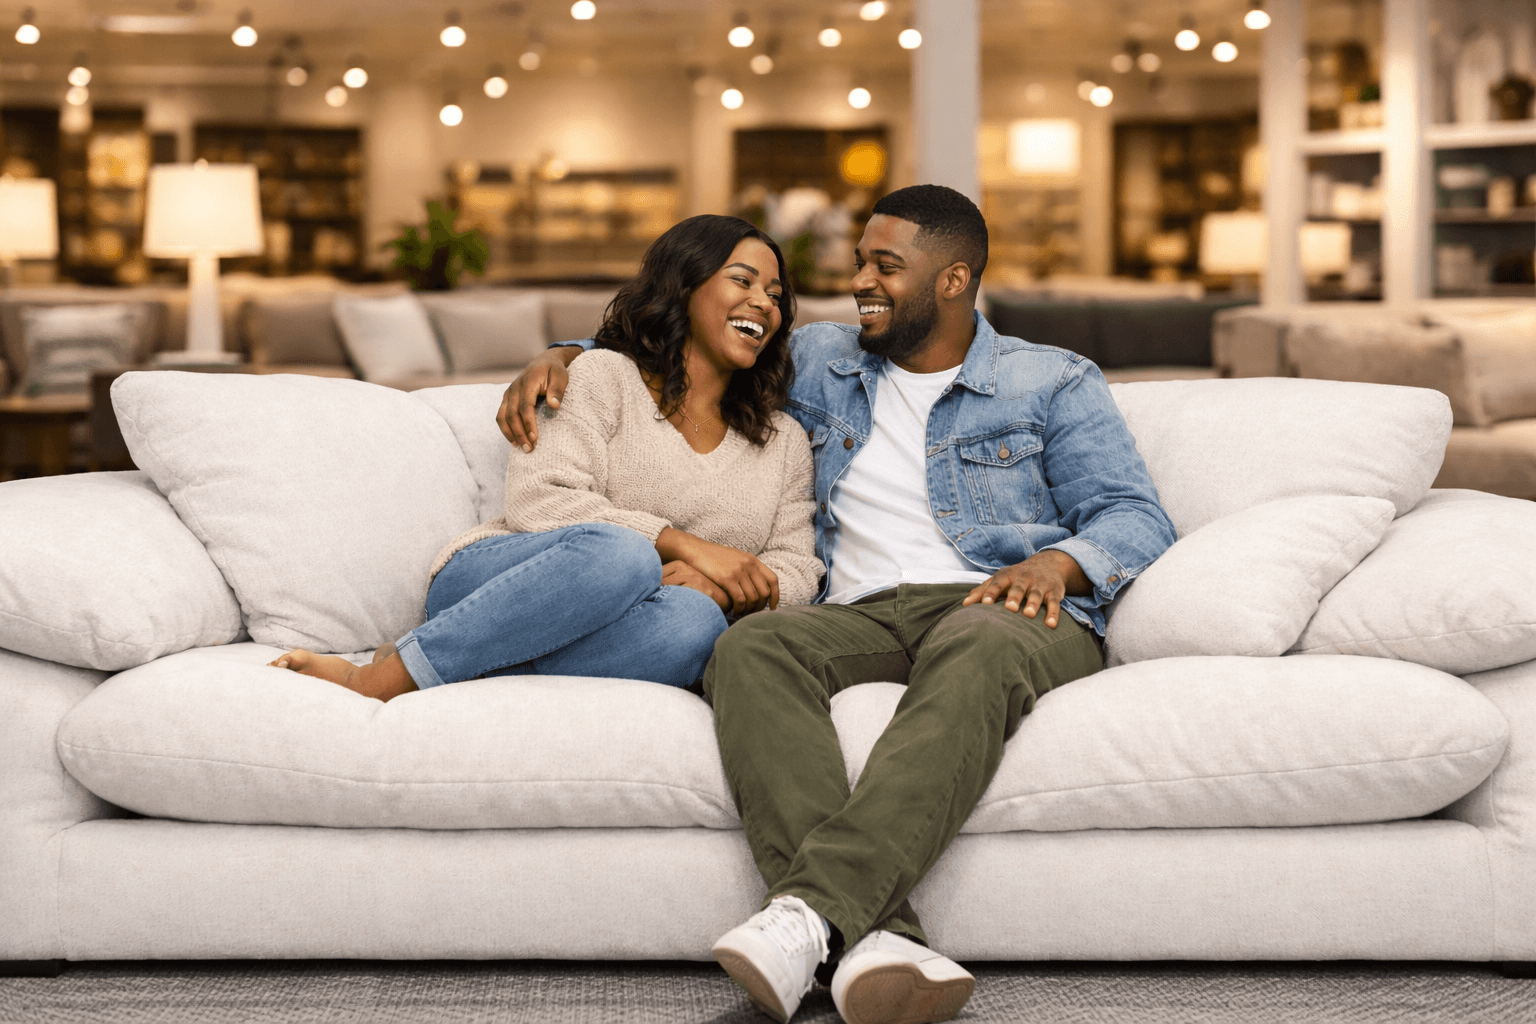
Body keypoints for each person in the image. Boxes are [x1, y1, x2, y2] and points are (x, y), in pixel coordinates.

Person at [499, 185, 1177, 1024]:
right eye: (859, 261)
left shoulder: (1052, 380)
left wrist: (1059, 562)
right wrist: (564, 355)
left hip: (1003, 605)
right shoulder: (822, 358)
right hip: (856, 608)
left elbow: (1135, 516)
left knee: (976, 642)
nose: (861, 281)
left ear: (955, 278)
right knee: (749, 647)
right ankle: (876, 941)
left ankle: (807, 918)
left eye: (886, 266)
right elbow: (687, 339)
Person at [270, 214, 823, 701]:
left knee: (694, 623)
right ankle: (377, 681)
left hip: (619, 622)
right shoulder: (600, 376)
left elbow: (798, 568)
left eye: (775, 295)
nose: (763, 303)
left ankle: (447, 659)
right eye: (742, 281)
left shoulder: (783, 441)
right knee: (623, 554)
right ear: (684, 287)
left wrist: (722, 587)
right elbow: (541, 501)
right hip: (505, 581)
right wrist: (685, 549)